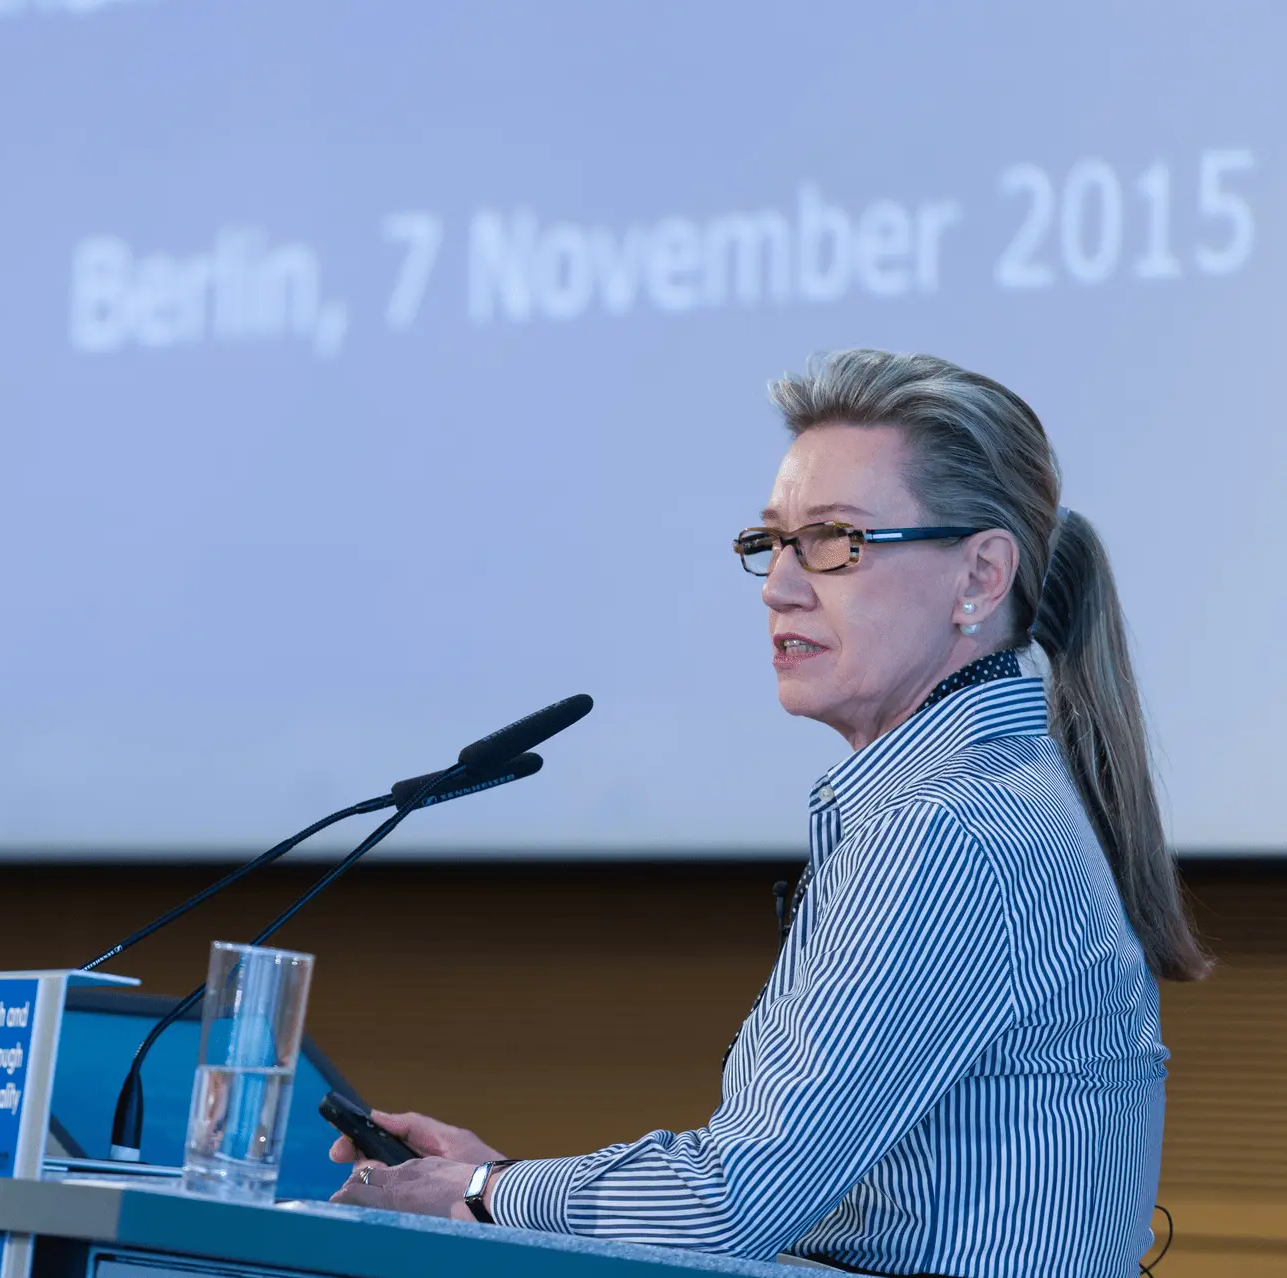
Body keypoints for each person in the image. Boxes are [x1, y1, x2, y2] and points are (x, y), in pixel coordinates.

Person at [329, 350, 1210, 1278]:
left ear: (981, 578)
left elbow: (729, 1206)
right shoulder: (994, 793)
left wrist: (483, 1191)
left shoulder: (946, 828)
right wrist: (497, 1183)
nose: (779, 586)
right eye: (772, 542)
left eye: (835, 540)